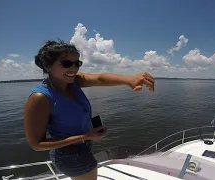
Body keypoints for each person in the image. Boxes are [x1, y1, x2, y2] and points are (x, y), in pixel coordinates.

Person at [24, 39, 155, 180]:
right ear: (47, 65)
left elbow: (99, 78)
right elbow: (36, 144)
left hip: (84, 147)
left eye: (77, 63)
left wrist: (129, 80)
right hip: (69, 156)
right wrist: (84, 137)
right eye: (66, 63)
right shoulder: (40, 98)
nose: (74, 69)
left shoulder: (73, 82)